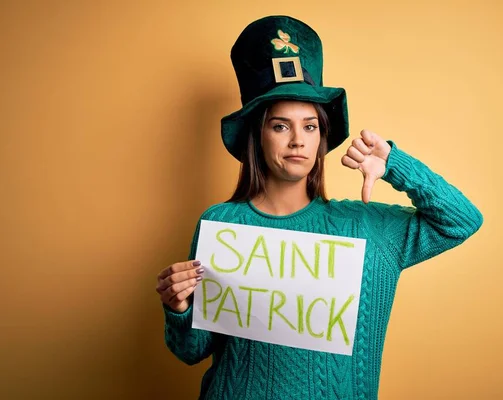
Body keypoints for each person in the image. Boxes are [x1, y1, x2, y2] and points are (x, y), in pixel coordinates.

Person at [156, 15, 483, 400]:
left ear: (322, 135)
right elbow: (192, 351)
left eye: (310, 126)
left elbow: (462, 221)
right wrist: (178, 307)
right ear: (256, 136)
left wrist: (395, 164)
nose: (298, 140)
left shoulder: (367, 228)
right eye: (280, 126)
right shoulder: (221, 224)